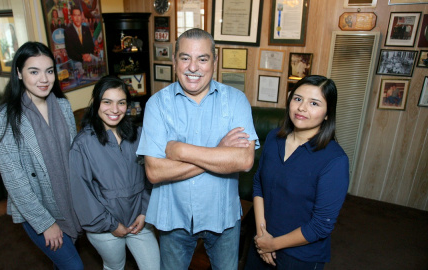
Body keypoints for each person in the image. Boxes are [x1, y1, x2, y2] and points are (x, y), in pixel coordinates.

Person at [136, 28, 259, 270]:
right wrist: (220, 152)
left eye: (202, 58)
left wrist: (179, 150)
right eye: (185, 58)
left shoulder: (236, 100)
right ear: (174, 61)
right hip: (174, 217)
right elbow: (154, 172)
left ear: (215, 60)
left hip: (223, 215)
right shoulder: (156, 104)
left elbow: (244, 161)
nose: (193, 67)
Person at [0, 41, 83, 269]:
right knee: (73, 266)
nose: (44, 79)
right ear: (19, 73)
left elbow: (73, 157)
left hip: (70, 202)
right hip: (37, 209)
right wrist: (45, 223)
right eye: (34, 71)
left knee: (61, 263)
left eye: (49, 71)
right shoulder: (4, 117)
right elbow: (15, 180)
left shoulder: (62, 106)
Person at [244, 75, 349, 270]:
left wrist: (272, 245)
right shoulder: (274, 137)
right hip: (261, 241)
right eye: (297, 98)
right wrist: (261, 235)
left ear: (328, 114)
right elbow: (259, 184)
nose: (302, 108)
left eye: (314, 103)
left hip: (300, 255)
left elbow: (321, 225)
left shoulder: (335, 160)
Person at [69, 76, 160, 270]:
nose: (115, 109)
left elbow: (150, 177)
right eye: (107, 102)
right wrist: (110, 225)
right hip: (105, 227)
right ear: (96, 103)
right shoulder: (82, 144)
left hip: (139, 221)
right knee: (114, 267)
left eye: (121, 102)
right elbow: (82, 194)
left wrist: (145, 212)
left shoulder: (139, 135)